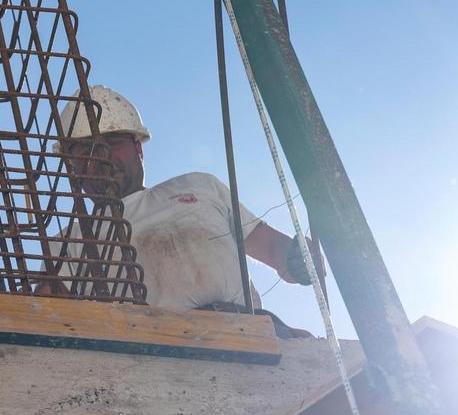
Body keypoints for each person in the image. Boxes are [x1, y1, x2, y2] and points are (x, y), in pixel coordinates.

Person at [56, 85, 314, 337]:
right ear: (71, 167)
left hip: (247, 335)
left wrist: (299, 258)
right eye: (86, 150)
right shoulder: (73, 239)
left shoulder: (199, 186)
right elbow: (48, 311)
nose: (102, 157)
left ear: (138, 148)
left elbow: (274, 250)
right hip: (153, 358)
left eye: (112, 142)